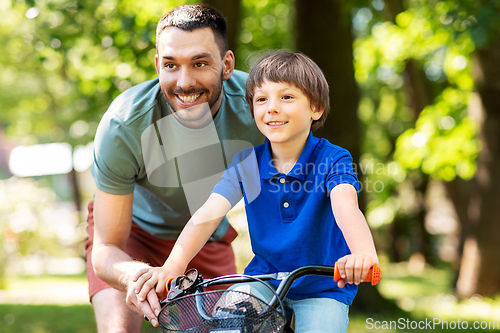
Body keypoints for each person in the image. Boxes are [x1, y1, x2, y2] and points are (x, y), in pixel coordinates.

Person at [133, 50, 379, 332]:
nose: (271, 107)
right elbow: (209, 214)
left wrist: (364, 254)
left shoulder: (333, 159)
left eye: (286, 97)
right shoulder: (246, 163)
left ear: (316, 108)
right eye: (262, 99)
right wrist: (173, 266)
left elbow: (346, 206)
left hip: (324, 285)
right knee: (226, 323)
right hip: (263, 279)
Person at [86, 4, 264, 332]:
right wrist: (137, 278)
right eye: (171, 65)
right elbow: (106, 248)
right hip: (134, 235)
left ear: (226, 65)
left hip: (205, 236)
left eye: (199, 63)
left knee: (231, 327)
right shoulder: (123, 125)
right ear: (157, 66)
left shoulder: (261, 107)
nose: (184, 82)